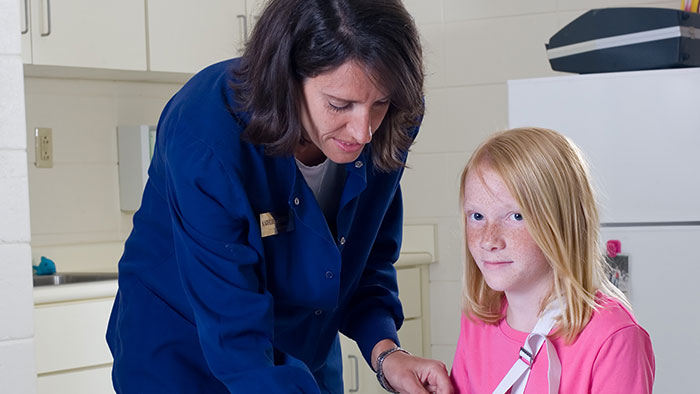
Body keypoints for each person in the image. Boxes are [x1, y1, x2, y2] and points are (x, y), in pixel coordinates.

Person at [106, 0, 453, 393]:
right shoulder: (206, 130)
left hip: (300, 349)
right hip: (182, 357)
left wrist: (387, 352)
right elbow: (233, 330)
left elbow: (363, 259)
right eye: (340, 105)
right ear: (285, 80)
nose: (363, 132)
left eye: (380, 104)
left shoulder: (391, 117)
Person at [450, 127, 655, 393]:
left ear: (562, 222)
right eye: (477, 216)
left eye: (516, 216)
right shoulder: (479, 319)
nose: (489, 240)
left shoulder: (613, 338)